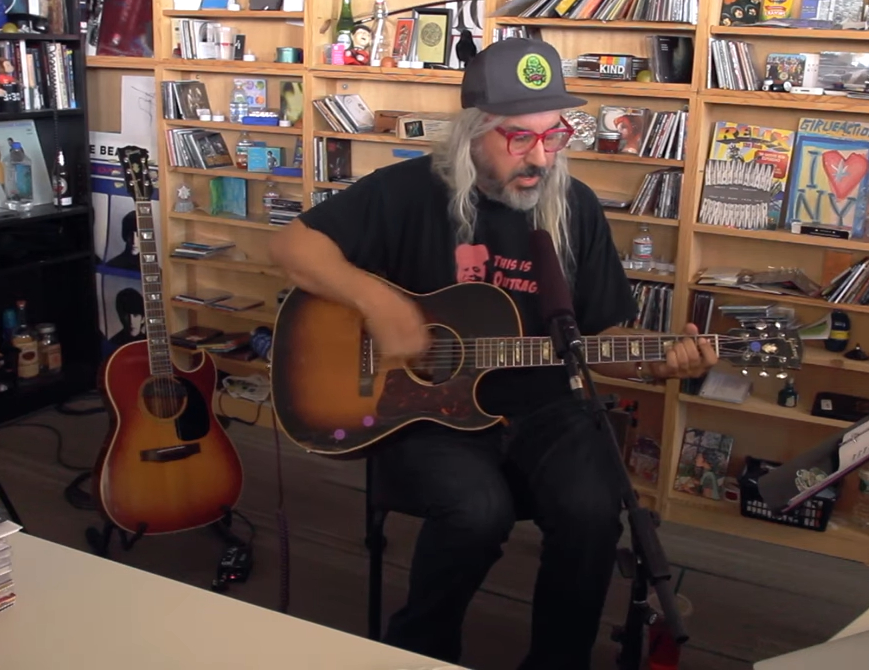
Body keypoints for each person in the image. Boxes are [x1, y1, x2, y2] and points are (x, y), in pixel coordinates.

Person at [267, 38, 717, 669]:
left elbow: (601, 345)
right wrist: (380, 304)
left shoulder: (576, 208)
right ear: (471, 132)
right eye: (518, 138)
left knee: (592, 511)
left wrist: (659, 360)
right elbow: (291, 248)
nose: (540, 157)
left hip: (546, 409)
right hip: (425, 411)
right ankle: (419, 651)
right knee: (477, 512)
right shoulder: (404, 192)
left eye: (553, 135)